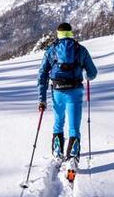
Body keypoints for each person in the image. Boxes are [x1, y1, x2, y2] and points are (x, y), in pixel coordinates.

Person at [37, 22, 97, 173]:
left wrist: (42, 98)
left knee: (58, 123)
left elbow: (42, 75)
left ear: (58, 34)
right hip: (75, 92)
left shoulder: (51, 51)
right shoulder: (81, 50)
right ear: (71, 33)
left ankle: (58, 154)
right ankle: (72, 159)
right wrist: (87, 75)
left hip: (58, 93)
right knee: (74, 127)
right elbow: (93, 73)